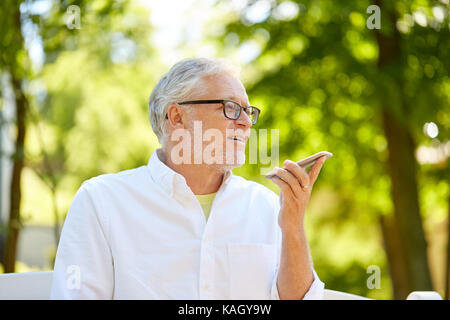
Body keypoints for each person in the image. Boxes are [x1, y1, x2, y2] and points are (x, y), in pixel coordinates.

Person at [50, 57, 327, 299]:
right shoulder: (102, 201)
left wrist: (292, 225)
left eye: (248, 111)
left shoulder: (266, 206)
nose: (245, 122)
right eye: (230, 108)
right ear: (177, 116)